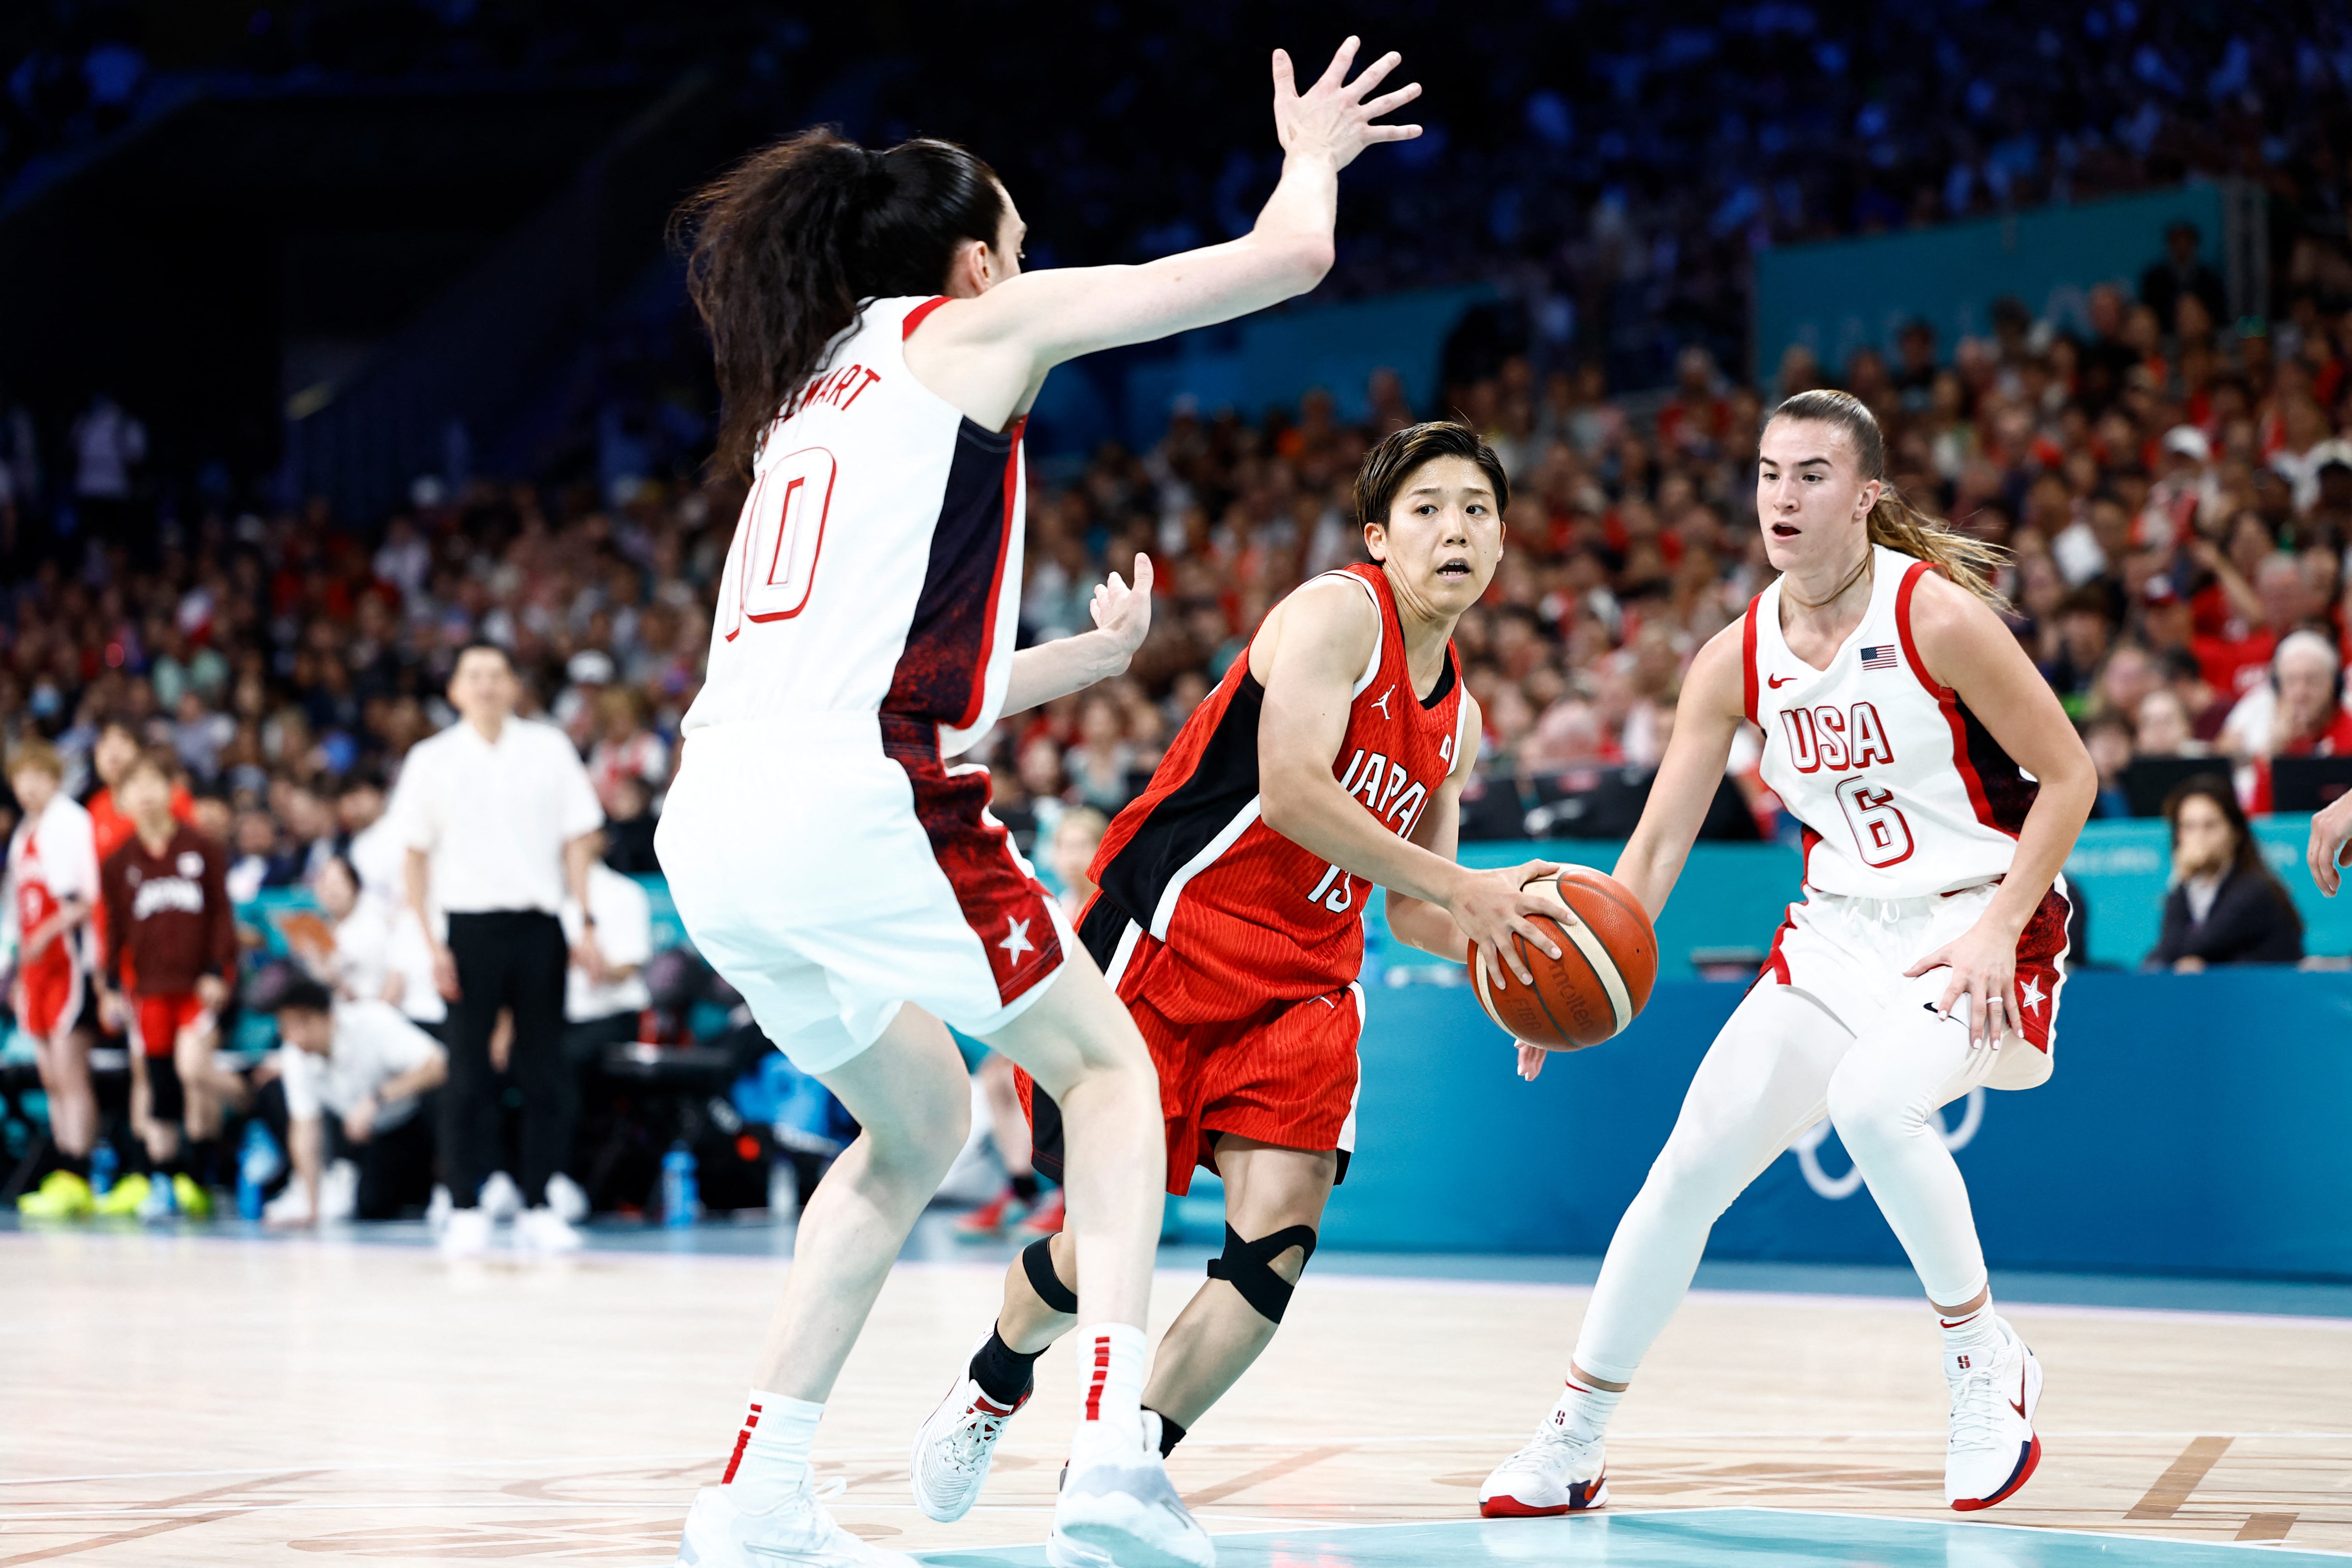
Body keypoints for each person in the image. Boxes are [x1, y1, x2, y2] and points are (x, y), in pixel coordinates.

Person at [652, 38, 1428, 1568]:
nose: (1025, 261)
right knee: (1113, 1073)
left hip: (717, 820)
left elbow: (861, 661)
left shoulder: (809, 398)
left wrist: (1072, 659)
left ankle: (756, 1481)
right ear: (971, 255)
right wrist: (1315, 153)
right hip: (858, 803)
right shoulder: (975, 324)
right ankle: (1108, 1457)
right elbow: (1289, 257)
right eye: (1014, 237)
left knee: (919, 1115)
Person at [909, 421, 1565, 1559]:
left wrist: (1507, 961)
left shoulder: (1455, 716)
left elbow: (1413, 906)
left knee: (1276, 1248)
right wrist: (1469, 887)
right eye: (1427, 507)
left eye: (1476, 507)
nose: (1454, 526)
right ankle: (994, 1378)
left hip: (1301, 986)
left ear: (1503, 543)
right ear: (1378, 534)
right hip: (1165, 948)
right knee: (1104, 1242)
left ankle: (1123, 1462)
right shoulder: (1334, 615)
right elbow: (1298, 793)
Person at [1478, 389, 2095, 1518]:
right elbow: (1659, 840)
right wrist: (1569, 972)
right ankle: (1576, 1433)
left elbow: (2073, 775)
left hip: (1975, 920)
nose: (1783, 496)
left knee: (1872, 1107)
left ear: (1865, 494)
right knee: (1690, 1163)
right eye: (1769, 472)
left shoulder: (1937, 618)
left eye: (1811, 474)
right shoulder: (1734, 656)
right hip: (1832, 933)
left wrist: (2002, 927)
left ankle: (1983, 1362)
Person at [389, 640, 606, 1257]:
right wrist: (430, 943)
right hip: (467, 930)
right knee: (466, 1074)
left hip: (539, 925)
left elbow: (579, 840)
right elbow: (413, 856)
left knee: (545, 1073)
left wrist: (584, 920)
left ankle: (539, 1201)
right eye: (473, 675)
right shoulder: (431, 759)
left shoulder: (549, 748)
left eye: (496, 674)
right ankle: (463, 1203)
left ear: (514, 686)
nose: (485, 685)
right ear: (455, 690)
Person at [96, 751, 240, 1219]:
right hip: (149, 989)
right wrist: (111, 986)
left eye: (154, 781)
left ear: (171, 789)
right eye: (134, 785)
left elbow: (221, 915)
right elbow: (113, 930)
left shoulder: (201, 848)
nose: (146, 793)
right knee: (157, 1081)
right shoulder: (118, 863)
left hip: (197, 987)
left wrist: (220, 971)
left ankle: (204, 1172)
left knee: (193, 1070)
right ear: (122, 799)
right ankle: (166, 1176)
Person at [958, 805, 1108, 1240]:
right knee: (996, 1076)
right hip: (1055, 1024)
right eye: (1065, 846)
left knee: (1048, 1078)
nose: (1073, 856)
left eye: (1083, 846)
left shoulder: (1107, 905)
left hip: (1096, 1030)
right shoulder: (1055, 903)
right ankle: (1021, 1186)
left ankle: (1066, 1195)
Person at [262, 977, 448, 1224]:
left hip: (415, 1119)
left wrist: (379, 1098)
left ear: (328, 1015)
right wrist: (312, 1207)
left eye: (303, 1024)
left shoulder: (373, 1022)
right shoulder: (295, 1056)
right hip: (375, 1138)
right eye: (287, 1027)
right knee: (372, 1207)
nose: (297, 1037)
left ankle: (451, 1184)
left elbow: (438, 1065)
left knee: (446, 1096)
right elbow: (305, 1127)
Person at [7, 742, 102, 1218]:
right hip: (37, 967)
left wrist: (48, 932)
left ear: (53, 777)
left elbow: (87, 899)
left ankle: (79, 1170)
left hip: (70, 962)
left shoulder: (71, 822)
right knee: (49, 1075)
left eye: (35, 778)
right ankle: (64, 1167)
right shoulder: (25, 831)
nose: (26, 788)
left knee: (70, 1070)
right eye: (19, 779)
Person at [549, 854, 656, 1221]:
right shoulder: (546, 890)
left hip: (612, 1017)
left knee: (562, 1062)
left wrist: (595, 963)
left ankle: (562, 1179)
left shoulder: (622, 894)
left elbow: (629, 965)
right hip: (557, 1019)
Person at [2147, 777, 2304, 969]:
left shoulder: (2254, 890)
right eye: (2189, 827)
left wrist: (2181, 877)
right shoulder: (2192, 888)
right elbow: (2163, 955)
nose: (2199, 838)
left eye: (2210, 826)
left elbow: (2188, 947)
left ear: (2236, 833)